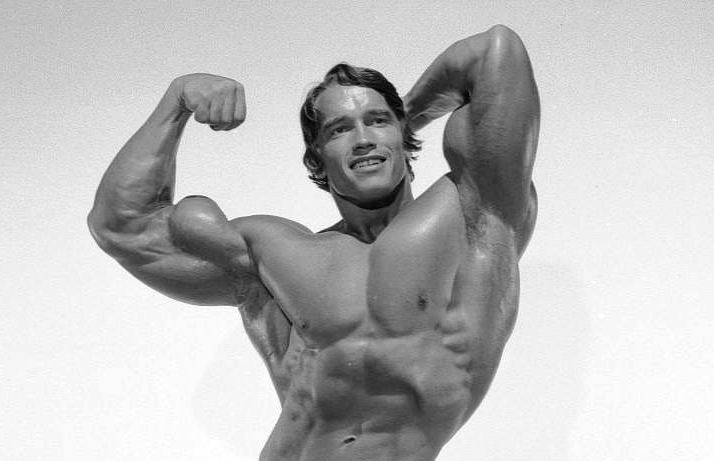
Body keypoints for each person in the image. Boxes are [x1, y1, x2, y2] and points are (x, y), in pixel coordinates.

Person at [88, 24, 539, 461]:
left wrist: (407, 118)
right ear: (316, 157)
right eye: (339, 130)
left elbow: (495, 52)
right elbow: (122, 227)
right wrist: (178, 99)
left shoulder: (473, 216)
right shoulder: (276, 254)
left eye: (377, 121)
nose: (363, 140)